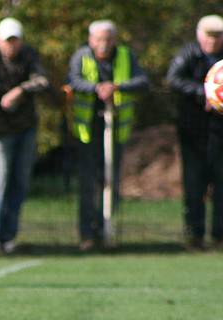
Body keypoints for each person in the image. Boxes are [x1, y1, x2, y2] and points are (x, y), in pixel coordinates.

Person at [67, 19, 149, 251]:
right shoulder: (81, 56)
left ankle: (107, 231)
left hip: (116, 129)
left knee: (110, 181)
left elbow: (142, 81)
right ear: (91, 40)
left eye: (108, 39)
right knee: (87, 183)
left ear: (114, 40)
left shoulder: (125, 56)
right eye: (99, 39)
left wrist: (117, 87)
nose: (104, 44)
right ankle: (87, 235)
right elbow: (73, 81)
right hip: (88, 131)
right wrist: (97, 89)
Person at [167, 15, 223, 249]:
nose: (212, 41)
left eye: (217, 37)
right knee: (193, 184)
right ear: (199, 35)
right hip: (193, 132)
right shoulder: (188, 54)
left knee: (222, 183)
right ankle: (194, 235)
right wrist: (205, 93)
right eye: (209, 36)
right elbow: (173, 79)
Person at [0, 17, 50, 254]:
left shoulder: (28, 55)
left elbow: (42, 80)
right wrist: (5, 94)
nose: (11, 45)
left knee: (20, 180)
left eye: (15, 40)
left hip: (25, 127)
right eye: (8, 41)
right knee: (1, 178)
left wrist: (19, 91)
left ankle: (8, 236)